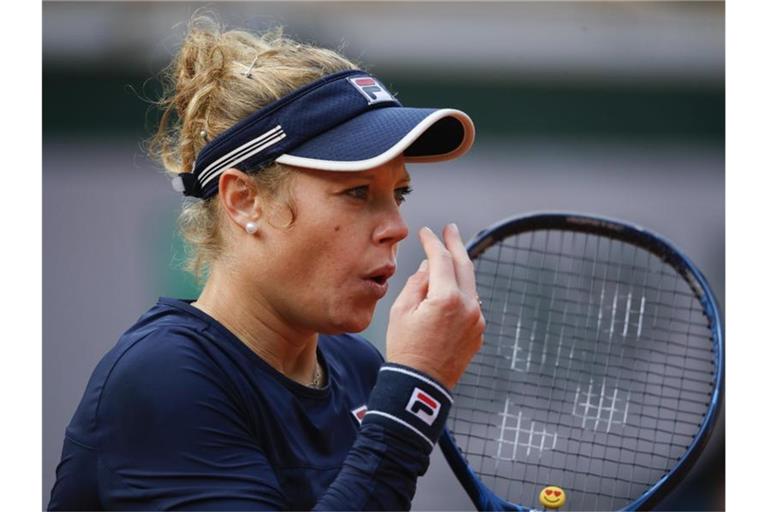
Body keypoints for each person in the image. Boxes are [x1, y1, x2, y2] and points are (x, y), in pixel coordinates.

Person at [48, 15, 484, 511]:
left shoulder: (359, 367)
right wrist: (415, 389)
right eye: (357, 192)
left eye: (398, 194)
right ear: (243, 201)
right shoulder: (162, 378)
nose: (395, 227)